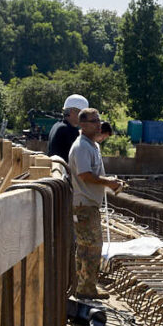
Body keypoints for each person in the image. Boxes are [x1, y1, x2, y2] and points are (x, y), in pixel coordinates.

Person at [68, 108, 123, 300]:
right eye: (94, 122)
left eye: (99, 121)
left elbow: (92, 174)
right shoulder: (82, 146)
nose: (99, 125)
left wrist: (110, 181)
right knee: (92, 247)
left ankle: (82, 286)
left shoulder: (92, 145)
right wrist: (108, 182)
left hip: (89, 204)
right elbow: (84, 175)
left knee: (85, 247)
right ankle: (86, 288)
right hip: (84, 205)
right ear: (83, 125)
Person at [48, 94, 88, 160]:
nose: (84, 118)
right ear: (72, 112)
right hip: (64, 169)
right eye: (83, 114)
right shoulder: (68, 130)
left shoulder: (57, 125)